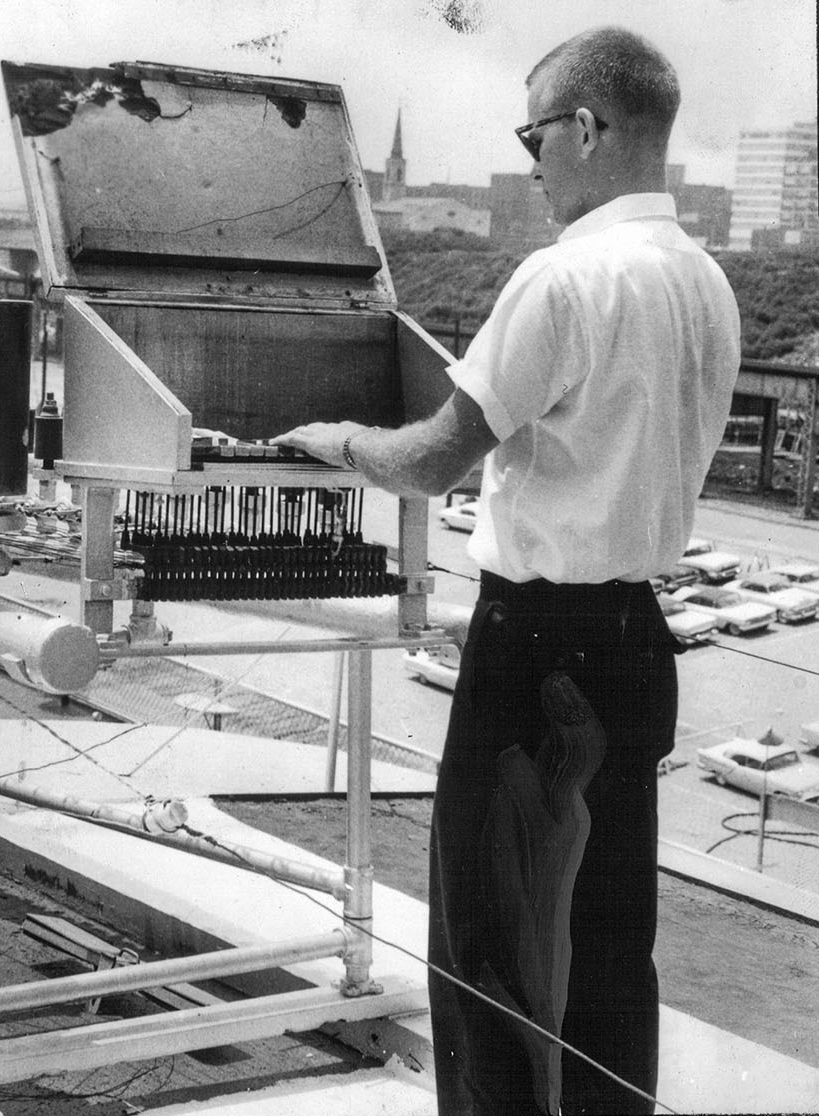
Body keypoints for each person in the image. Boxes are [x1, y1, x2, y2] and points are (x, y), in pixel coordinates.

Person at [274, 26, 740, 1116]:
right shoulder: (705, 281)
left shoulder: (565, 277)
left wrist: (338, 439)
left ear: (586, 128)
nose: (530, 162)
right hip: (637, 651)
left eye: (534, 135)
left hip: (535, 659)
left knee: (493, 960)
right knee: (609, 960)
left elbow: (435, 457)